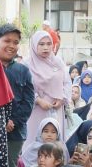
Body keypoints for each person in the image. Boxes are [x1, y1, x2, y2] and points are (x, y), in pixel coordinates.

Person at [0, 24, 35, 167]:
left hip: (15, 132)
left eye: (16, 42)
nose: (11, 46)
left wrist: (13, 121)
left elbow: (28, 101)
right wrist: (0, 121)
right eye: (7, 41)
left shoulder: (23, 70)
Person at [24, 30, 71, 159]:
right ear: (34, 45)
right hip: (36, 110)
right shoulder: (27, 64)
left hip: (56, 109)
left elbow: (67, 83)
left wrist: (62, 98)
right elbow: (24, 88)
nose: (46, 47)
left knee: (54, 141)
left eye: (49, 44)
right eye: (41, 44)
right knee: (35, 138)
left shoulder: (58, 62)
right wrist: (38, 100)